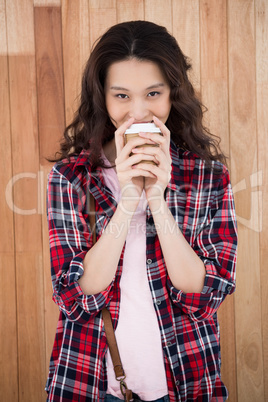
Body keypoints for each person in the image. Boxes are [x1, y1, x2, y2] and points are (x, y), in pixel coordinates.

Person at [45, 20, 237, 402]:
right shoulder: (70, 178)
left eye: (152, 93)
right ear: (103, 97)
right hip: (90, 382)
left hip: (185, 382)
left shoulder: (208, 177)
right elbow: (75, 293)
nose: (138, 112)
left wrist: (157, 199)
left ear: (172, 95)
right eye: (121, 96)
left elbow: (204, 292)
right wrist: (128, 196)